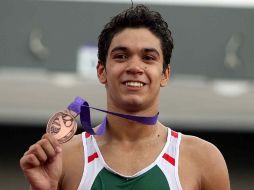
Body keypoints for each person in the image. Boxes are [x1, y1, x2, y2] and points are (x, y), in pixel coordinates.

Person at [20, 4, 230, 190]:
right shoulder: (64, 158)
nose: (134, 67)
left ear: (165, 74)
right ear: (102, 71)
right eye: (121, 56)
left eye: (148, 58)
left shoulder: (203, 160)